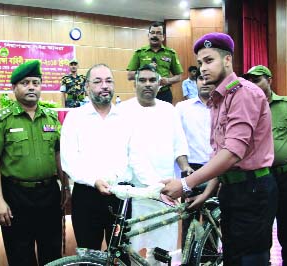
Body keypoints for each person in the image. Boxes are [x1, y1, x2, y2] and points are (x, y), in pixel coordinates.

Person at [162, 33, 278, 265]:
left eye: (209, 60)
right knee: (233, 257)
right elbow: (220, 154)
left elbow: (233, 153)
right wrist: (206, 192)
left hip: (253, 190)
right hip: (233, 188)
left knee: (251, 259)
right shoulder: (219, 97)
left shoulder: (243, 93)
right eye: (200, 63)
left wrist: (186, 183)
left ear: (227, 60)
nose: (202, 68)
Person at [0, 60, 68, 266]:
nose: (31, 87)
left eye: (36, 83)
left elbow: (58, 154)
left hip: (49, 193)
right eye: (25, 83)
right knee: (20, 254)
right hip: (16, 195)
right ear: (14, 88)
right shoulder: (2, 119)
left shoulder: (51, 118)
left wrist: (65, 185)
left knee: (52, 251)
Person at [119, 64, 191, 265]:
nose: (147, 84)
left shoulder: (169, 110)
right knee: (133, 245)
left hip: (165, 188)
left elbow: (179, 144)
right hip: (135, 191)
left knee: (162, 246)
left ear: (160, 84)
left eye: (152, 80)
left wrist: (185, 167)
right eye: (142, 80)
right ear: (135, 84)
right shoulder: (122, 110)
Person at [60, 63, 131, 251]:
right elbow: (69, 160)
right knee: (88, 253)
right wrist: (95, 181)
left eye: (108, 81)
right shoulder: (75, 118)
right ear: (87, 87)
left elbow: (133, 155)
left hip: (121, 195)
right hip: (87, 196)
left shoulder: (125, 117)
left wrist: (115, 180)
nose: (104, 86)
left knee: (121, 254)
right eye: (98, 81)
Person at [243, 65, 287, 266]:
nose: (253, 84)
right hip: (258, 179)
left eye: (257, 80)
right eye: (249, 81)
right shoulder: (245, 110)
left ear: (270, 80)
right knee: (258, 232)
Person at [175, 70, 215, 249]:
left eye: (208, 78)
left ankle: (210, 260)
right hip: (191, 170)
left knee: (213, 223)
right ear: (195, 82)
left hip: (218, 170)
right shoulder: (182, 108)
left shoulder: (224, 106)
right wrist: (183, 170)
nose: (204, 82)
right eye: (200, 78)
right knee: (189, 223)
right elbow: (176, 140)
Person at [127, 21, 183, 104]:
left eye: (158, 33)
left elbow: (179, 76)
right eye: (152, 33)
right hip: (144, 93)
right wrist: (145, 69)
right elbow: (130, 75)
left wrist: (168, 80)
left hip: (164, 94)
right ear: (148, 35)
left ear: (163, 37)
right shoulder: (139, 53)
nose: (154, 35)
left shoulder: (170, 54)